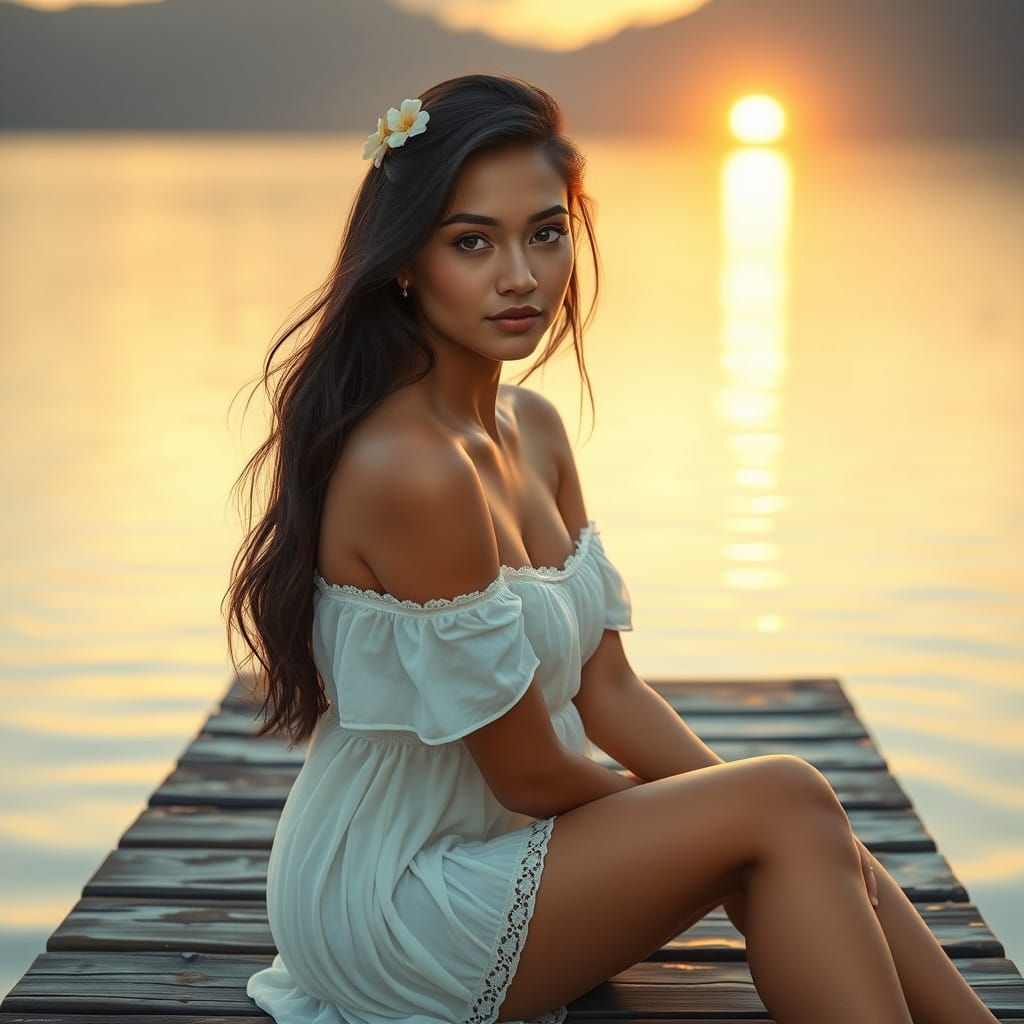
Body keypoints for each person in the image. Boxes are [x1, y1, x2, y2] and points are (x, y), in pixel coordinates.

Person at [224, 73, 1000, 1024]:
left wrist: (736, 812)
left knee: (796, 815)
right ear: (405, 263)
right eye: (473, 242)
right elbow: (527, 773)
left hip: (509, 851)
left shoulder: (534, 429)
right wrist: (722, 817)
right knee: (782, 806)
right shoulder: (412, 471)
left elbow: (612, 692)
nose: (521, 275)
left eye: (545, 233)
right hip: (394, 894)